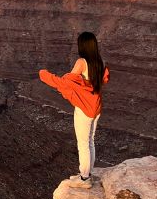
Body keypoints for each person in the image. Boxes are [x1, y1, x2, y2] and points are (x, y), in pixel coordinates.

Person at [38, 31, 109, 189]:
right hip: (96, 106)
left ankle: (84, 179)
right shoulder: (100, 61)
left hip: (84, 107)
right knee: (91, 140)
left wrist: (44, 75)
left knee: (82, 143)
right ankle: (88, 173)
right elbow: (101, 81)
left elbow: (66, 82)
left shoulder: (82, 62)